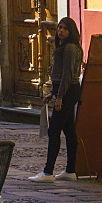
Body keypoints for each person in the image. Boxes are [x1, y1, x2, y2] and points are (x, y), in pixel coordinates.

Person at [29, 17, 83, 183]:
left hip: (67, 92)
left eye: (65, 28)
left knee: (54, 131)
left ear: (71, 31)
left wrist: (59, 97)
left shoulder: (70, 49)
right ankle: (70, 170)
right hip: (65, 91)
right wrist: (53, 92)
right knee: (69, 131)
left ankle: (48, 172)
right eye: (59, 27)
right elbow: (61, 76)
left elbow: (67, 75)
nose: (61, 31)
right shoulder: (65, 47)